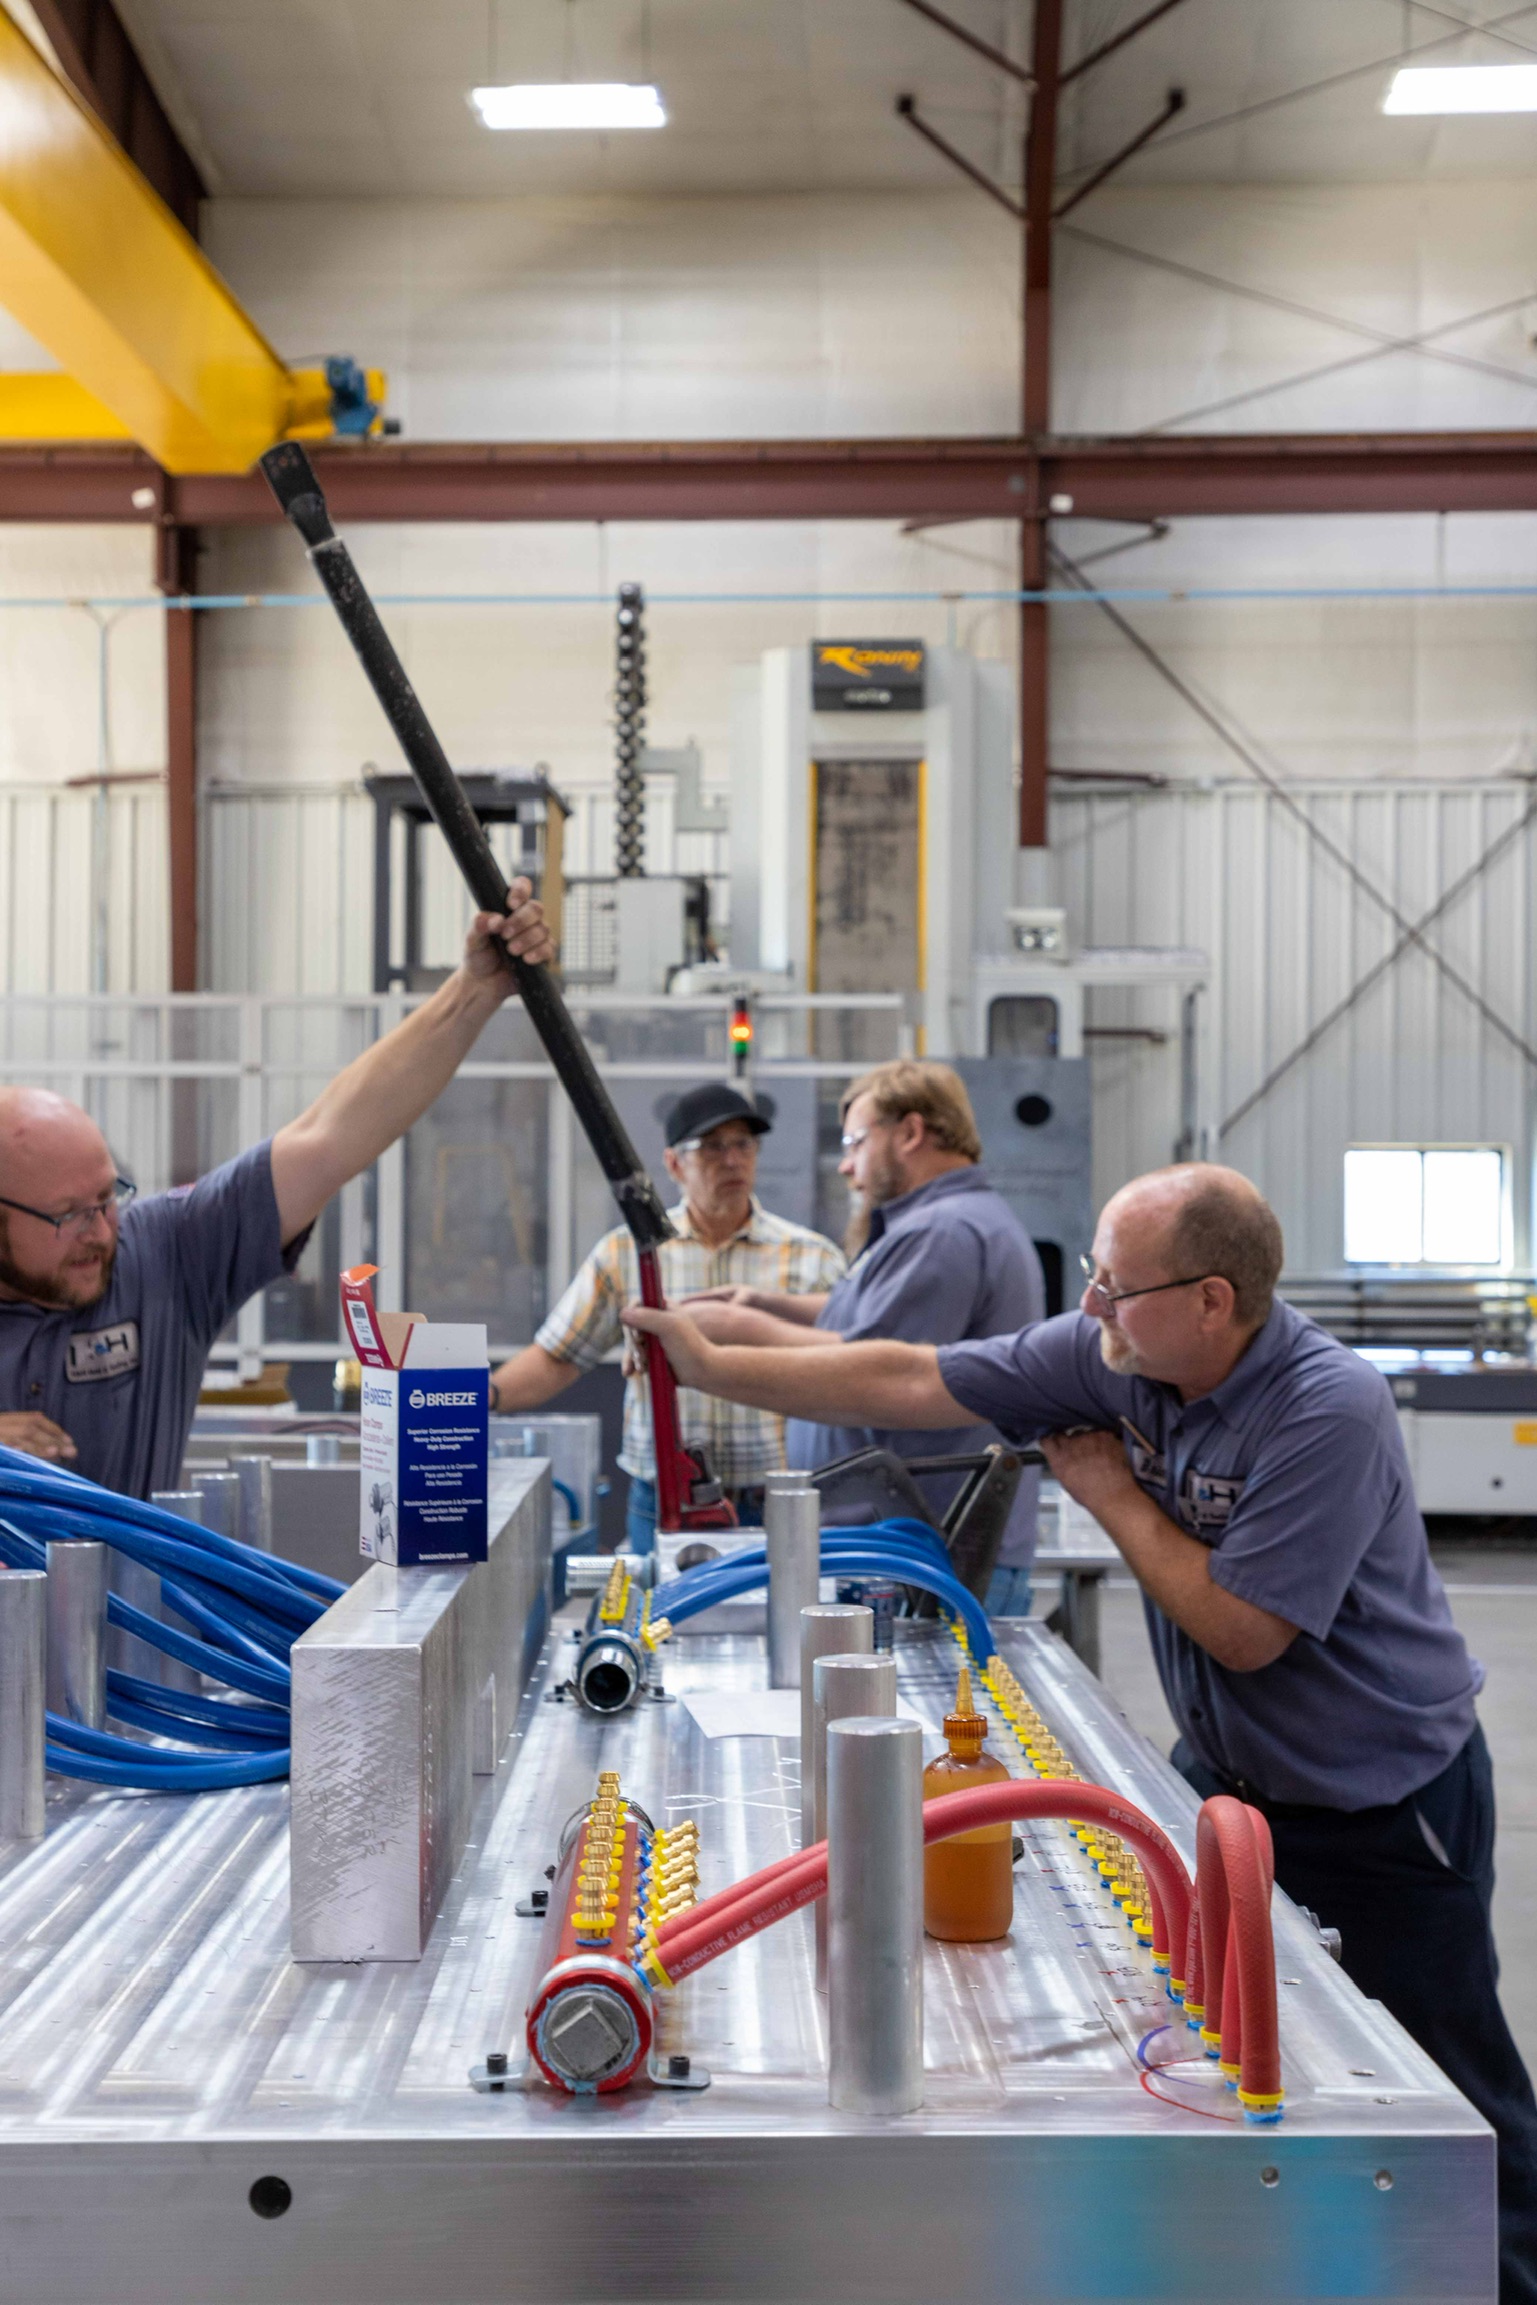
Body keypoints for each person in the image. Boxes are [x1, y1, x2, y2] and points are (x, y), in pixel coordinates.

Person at [626, 1160, 1537, 2304]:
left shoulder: (1326, 1407)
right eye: (1094, 1279)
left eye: (1118, 1285)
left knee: (1447, 2084)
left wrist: (1107, 1491)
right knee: (1242, 2056)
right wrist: (718, 1365)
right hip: (1231, 1779)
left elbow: (1242, 1631)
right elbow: (913, 1373)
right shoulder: (1112, 1350)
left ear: (1211, 1301)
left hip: (1382, 1801)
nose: (1091, 1304)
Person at [0, 891, 554, 1499]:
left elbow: (328, 1137)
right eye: (70, 1216)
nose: (103, 1232)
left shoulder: (165, 1256)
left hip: (133, 1567)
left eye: (109, 1199)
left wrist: (475, 991)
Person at [681, 1061, 1045, 1611]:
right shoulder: (937, 1223)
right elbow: (875, 1321)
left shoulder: (942, 1232)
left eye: (855, 1142)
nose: (847, 1166)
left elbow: (876, 1366)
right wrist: (764, 1302)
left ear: (910, 1132)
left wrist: (735, 1334)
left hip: (927, 1552)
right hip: (905, 1547)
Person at [488, 1081, 843, 1551]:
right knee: (657, 1602)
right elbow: (559, 1356)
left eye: (743, 1144)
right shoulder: (628, 1253)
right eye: (712, 1147)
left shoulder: (812, 1257)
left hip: (778, 1499)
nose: (732, 1160)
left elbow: (846, 1365)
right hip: (663, 1500)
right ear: (674, 1164)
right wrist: (478, 1400)